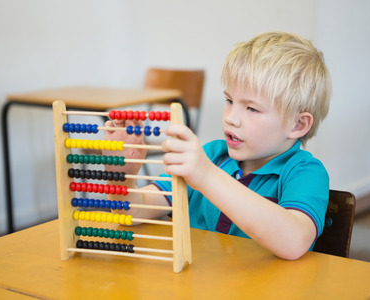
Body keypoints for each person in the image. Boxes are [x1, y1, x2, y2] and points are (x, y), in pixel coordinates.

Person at [103, 32, 332, 260]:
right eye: (229, 101)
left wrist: (206, 175)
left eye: (251, 109)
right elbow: (135, 210)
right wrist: (120, 177)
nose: (231, 117)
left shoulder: (305, 172)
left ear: (298, 124)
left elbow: (293, 242)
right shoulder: (213, 155)